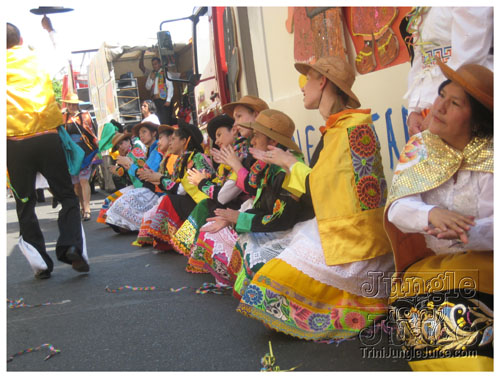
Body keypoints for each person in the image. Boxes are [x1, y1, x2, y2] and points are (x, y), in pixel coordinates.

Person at [237, 56, 393, 341]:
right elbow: (325, 183)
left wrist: (289, 164)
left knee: (269, 291)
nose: (303, 87)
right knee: (264, 285)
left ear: (323, 81)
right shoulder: (339, 127)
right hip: (338, 229)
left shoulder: (351, 126)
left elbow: (327, 187)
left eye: (308, 79)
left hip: (355, 241)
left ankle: (366, 307)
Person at [385, 61, 493, 371]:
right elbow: (398, 207)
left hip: (484, 262)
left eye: (454, 102)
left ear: (476, 122)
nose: (439, 107)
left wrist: (468, 233)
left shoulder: (492, 155)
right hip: (433, 269)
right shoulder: (421, 146)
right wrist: (432, 214)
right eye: (441, 95)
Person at [7, 22, 89, 279]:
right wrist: (50, 29)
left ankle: (40, 262)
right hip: (47, 136)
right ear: (20, 39)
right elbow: (62, 56)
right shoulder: (35, 57)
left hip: (14, 143)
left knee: (24, 203)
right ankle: (72, 245)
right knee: (66, 196)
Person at [190, 109, 304, 289]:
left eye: (257, 135)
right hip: (265, 222)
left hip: (287, 232)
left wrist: (238, 218)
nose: (252, 140)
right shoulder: (266, 164)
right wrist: (233, 218)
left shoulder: (285, 169)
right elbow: (259, 198)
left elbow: (280, 218)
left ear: (273, 141)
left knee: (255, 262)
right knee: (209, 231)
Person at [403, 7, 493, 136]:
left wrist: (438, 107)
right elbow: (420, 56)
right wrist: (413, 110)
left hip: (461, 101)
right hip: (431, 108)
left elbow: (468, 56)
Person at [146, 121, 215, 251]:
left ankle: (178, 241)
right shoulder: (180, 161)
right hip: (190, 200)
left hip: (205, 203)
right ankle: (173, 240)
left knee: (167, 200)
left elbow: (182, 190)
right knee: (167, 199)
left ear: (184, 140)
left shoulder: (198, 158)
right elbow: (175, 187)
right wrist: (157, 179)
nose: (170, 143)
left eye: (173, 139)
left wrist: (160, 179)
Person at [105, 122, 165, 233]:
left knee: (119, 205)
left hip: (152, 188)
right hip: (146, 186)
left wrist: (128, 165)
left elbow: (145, 174)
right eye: (118, 145)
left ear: (153, 133)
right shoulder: (149, 149)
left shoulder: (145, 150)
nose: (141, 135)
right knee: (113, 204)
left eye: (144, 132)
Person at [63, 92, 99, 221]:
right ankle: (81, 206)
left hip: (85, 152)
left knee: (84, 180)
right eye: (69, 104)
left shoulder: (85, 116)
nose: (72, 107)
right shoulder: (63, 118)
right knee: (76, 184)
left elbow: (92, 131)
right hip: (71, 154)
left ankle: (87, 208)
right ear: (66, 105)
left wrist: (97, 147)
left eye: (74, 104)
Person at [140, 53, 174, 125]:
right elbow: (147, 87)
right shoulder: (151, 74)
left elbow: (170, 87)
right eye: (153, 64)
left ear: (160, 64)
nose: (154, 66)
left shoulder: (165, 73)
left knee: (165, 120)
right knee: (158, 119)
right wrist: (152, 79)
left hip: (163, 100)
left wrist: (168, 100)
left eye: (156, 64)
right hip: (155, 101)